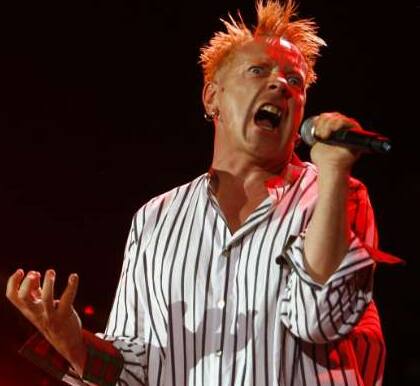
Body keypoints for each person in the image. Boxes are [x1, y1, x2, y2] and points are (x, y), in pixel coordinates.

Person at [6, 0, 394, 385]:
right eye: (258, 71)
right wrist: (75, 344)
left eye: (295, 81)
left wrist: (335, 169)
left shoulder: (336, 196)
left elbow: (320, 320)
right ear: (212, 98)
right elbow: (137, 370)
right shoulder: (156, 219)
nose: (280, 84)